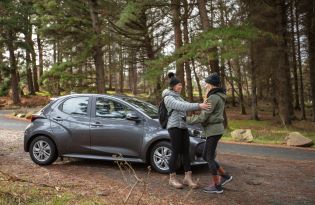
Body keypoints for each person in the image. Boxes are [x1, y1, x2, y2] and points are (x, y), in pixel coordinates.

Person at [187, 72, 232, 194]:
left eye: (206, 84)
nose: (205, 86)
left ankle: (217, 186)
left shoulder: (213, 97)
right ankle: (225, 176)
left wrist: (187, 120)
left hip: (213, 130)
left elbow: (203, 117)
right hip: (215, 129)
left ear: (211, 85)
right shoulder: (219, 95)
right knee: (206, 155)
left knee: (209, 157)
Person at [162, 72, 209, 189]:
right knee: (176, 151)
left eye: (181, 85)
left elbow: (187, 104)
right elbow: (182, 106)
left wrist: (201, 104)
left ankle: (187, 178)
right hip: (174, 127)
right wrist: (199, 105)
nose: (180, 87)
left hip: (183, 127)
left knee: (186, 152)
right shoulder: (168, 98)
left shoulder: (179, 97)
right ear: (172, 86)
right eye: (179, 85)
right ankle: (172, 178)